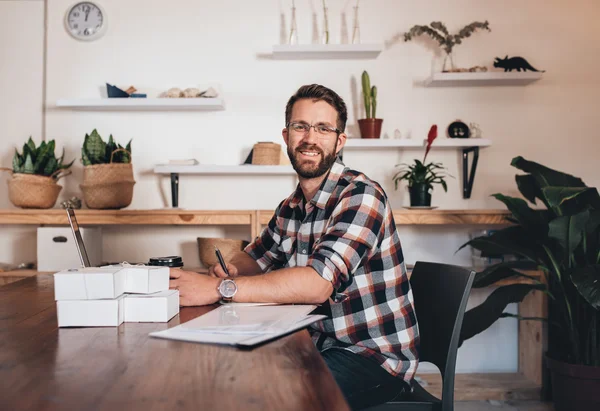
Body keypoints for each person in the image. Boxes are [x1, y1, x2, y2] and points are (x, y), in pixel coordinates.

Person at [169, 84, 419, 410]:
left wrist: (220, 287)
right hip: (313, 343)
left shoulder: (361, 196)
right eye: (300, 127)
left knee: (271, 397)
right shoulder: (291, 205)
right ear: (286, 136)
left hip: (372, 357)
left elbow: (317, 284)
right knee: (226, 378)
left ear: (339, 141)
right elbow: (255, 257)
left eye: (323, 128)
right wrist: (231, 268)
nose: (310, 138)